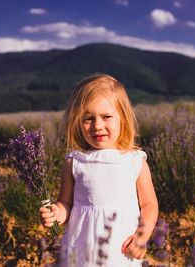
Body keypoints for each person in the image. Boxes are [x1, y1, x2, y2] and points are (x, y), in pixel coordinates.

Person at [39, 74, 158, 266]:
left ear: (123, 119)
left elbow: (149, 205)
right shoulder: (75, 161)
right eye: (88, 118)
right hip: (81, 252)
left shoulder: (135, 161)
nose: (97, 126)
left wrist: (141, 237)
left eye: (106, 117)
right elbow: (66, 203)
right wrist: (56, 214)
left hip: (121, 251)